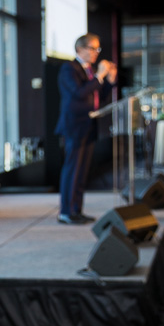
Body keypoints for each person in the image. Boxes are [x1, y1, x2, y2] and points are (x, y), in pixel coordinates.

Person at [55, 33, 116, 225]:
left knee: (82, 171)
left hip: (89, 125)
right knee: (72, 169)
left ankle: (76, 210)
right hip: (74, 125)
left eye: (98, 48)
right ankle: (66, 211)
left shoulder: (89, 71)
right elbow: (79, 93)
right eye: (93, 48)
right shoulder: (69, 69)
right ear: (80, 49)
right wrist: (99, 75)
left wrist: (109, 80)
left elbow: (100, 96)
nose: (97, 52)